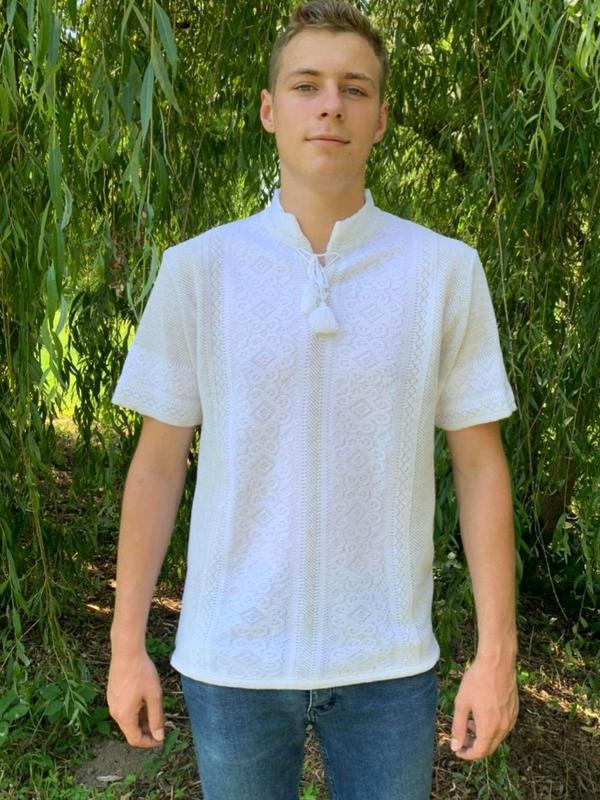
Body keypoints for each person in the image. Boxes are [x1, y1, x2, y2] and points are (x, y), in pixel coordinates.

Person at [107, 1, 520, 798]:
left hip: (388, 664)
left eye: (354, 88)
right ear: (270, 110)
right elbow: (157, 465)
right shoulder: (199, 271)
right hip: (233, 660)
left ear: (381, 117)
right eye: (307, 85)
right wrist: (127, 646)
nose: (331, 105)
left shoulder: (443, 273)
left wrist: (496, 652)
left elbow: (479, 468)